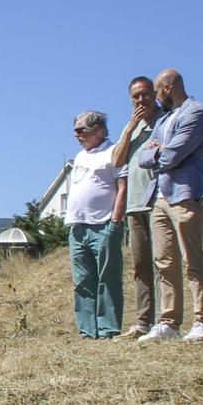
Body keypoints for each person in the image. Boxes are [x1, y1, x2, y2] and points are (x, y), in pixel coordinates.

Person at [135, 69, 203, 343]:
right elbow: (141, 157)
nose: (156, 98)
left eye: (157, 91)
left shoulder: (197, 113)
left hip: (184, 195)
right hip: (158, 197)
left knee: (193, 259)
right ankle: (169, 322)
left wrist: (157, 150)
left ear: (167, 88)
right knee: (164, 262)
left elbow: (172, 155)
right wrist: (156, 151)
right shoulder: (166, 119)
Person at [64, 110, 126, 339]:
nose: (77, 135)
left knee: (107, 278)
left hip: (102, 224)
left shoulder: (113, 152)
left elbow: (122, 186)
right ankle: (87, 329)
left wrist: (115, 222)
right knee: (82, 281)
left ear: (98, 129)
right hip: (78, 226)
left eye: (81, 130)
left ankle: (108, 328)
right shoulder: (80, 156)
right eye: (75, 131)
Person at [111, 76, 162, 339]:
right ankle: (143, 320)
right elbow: (116, 160)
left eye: (145, 94)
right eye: (136, 96)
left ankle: (166, 320)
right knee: (140, 265)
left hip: (159, 201)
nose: (141, 100)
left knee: (163, 262)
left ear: (155, 94)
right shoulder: (132, 127)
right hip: (135, 204)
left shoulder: (165, 120)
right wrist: (130, 128)